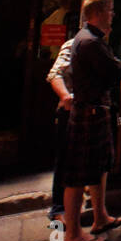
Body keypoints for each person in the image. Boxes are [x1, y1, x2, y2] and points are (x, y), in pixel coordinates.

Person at [60, 0, 121, 241]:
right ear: (97, 12)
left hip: (94, 109)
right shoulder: (89, 42)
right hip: (90, 111)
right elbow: (116, 70)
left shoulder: (90, 39)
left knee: (97, 167)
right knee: (78, 175)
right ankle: (73, 234)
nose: (113, 14)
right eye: (110, 10)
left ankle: (100, 217)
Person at [46, 36, 76, 223]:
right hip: (71, 111)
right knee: (65, 159)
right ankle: (59, 209)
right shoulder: (73, 44)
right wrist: (66, 97)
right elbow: (54, 74)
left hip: (89, 110)